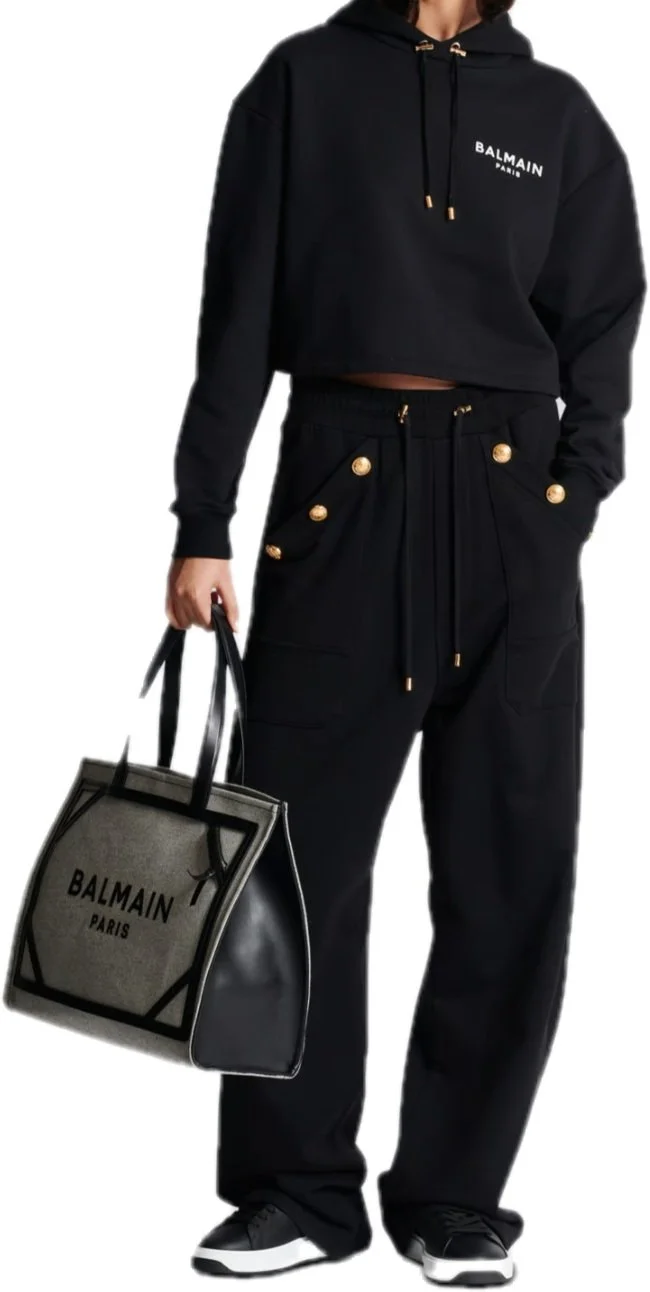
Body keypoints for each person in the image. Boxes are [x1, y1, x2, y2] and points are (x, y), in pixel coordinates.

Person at [166, 0, 644, 1284]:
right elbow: (236, 304)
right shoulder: (302, 82)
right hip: (342, 488)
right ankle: (295, 1188)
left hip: (509, 503)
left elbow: (602, 312)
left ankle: (455, 1199)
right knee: (292, 865)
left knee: (506, 866)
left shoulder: (553, 113)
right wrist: (202, 517)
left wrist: (572, 488)